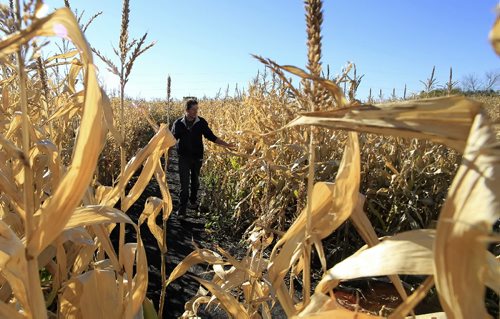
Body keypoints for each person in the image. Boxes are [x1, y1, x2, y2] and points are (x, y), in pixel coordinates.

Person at [171, 99, 235, 215]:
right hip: (183, 157)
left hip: (197, 157)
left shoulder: (201, 123)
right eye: (193, 109)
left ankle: (193, 200)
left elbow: (211, 137)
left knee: (195, 182)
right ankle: (182, 209)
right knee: (184, 185)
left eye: (197, 109)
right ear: (187, 110)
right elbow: (172, 139)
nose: (196, 111)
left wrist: (227, 145)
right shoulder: (178, 123)